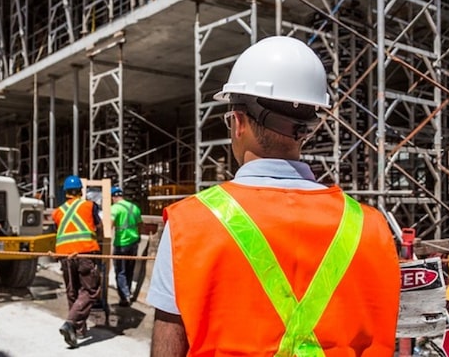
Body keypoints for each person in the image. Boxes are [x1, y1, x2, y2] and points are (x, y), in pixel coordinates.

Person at [147, 36, 400, 356]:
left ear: (237, 122)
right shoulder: (372, 227)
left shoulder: (189, 225)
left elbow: (169, 341)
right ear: (307, 128)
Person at [52, 175, 103, 348]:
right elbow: (99, 226)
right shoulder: (89, 206)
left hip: (65, 256)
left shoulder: (57, 212)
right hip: (84, 252)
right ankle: (70, 323)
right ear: (81, 191)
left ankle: (78, 330)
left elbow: (60, 231)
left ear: (65, 192)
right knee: (91, 291)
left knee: (72, 291)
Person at [110, 186, 143, 307]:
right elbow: (140, 224)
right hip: (133, 243)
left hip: (121, 244)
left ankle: (124, 297)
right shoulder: (134, 208)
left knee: (120, 271)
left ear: (113, 197)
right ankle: (128, 292)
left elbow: (110, 225)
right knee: (129, 270)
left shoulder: (114, 208)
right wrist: (138, 236)